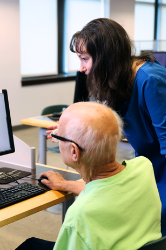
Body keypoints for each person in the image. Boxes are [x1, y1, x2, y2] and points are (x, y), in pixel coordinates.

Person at [47, 17, 166, 236]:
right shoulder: (116, 81)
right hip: (147, 167)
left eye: (85, 59)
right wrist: (67, 130)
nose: (81, 68)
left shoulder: (150, 79)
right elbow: (101, 121)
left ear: (105, 58)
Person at [16, 102, 161, 250]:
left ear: (74, 152)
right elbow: (106, 191)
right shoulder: (144, 167)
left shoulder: (80, 216)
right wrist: (65, 184)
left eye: (59, 136)